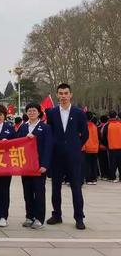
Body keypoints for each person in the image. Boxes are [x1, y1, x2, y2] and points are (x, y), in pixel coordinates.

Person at [46, 83, 89, 230]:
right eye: (60, 93)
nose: (63, 96)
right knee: (55, 187)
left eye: (66, 93)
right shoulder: (51, 113)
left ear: (70, 95)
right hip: (57, 156)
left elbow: (85, 134)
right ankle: (56, 214)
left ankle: (79, 217)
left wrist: (75, 146)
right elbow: (49, 134)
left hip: (73, 156)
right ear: (57, 95)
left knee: (76, 187)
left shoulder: (79, 113)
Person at [16, 103, 53, 229]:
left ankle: (39, 218)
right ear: (26, 113)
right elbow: (17, 144)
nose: (31, 113)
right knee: (27, 192)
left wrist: (45, 164)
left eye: (34, 111)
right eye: (29, 111)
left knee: (39, 192)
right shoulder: (22, 128)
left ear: (39, 113)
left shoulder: (45, 128)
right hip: (25, 166)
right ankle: (29, 216)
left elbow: (49, 147)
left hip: (38, 166)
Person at [101, 110, 121, 183]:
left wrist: (107, 145)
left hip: (111, 148)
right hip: (120, 148)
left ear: (109, 117)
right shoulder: (120, 124)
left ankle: (112, 177)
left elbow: (103, 137)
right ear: (116, 116)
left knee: (112, 163)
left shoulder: (107, 125)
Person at [83, 112, 100, 185]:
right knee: (94, 164)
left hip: (87, 147)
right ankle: (94, 179)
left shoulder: (84, 126)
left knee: (87, 165)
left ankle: (88, 179)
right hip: (95, 148)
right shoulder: (94, 126)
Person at [98, 115, 110, 180]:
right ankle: (107, 174)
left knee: (101, 161)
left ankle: (103, 174)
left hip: (100, 146)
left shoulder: (98, 127)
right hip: (107, 146)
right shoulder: (107, 126)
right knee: (107, 161)